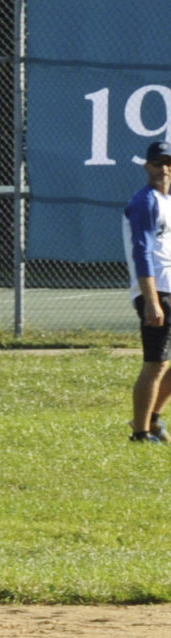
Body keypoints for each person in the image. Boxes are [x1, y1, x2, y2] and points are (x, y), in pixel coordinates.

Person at [125, 140, 171, 441]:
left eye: (168, 163)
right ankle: (140, 433)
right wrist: (152, 300)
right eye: (157, 163)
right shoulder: (145, 202)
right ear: (147, 166)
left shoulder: (166, 201)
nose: (163, 169)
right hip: (157, 291)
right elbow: (142, 253)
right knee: (155, 363)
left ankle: (154, 418)